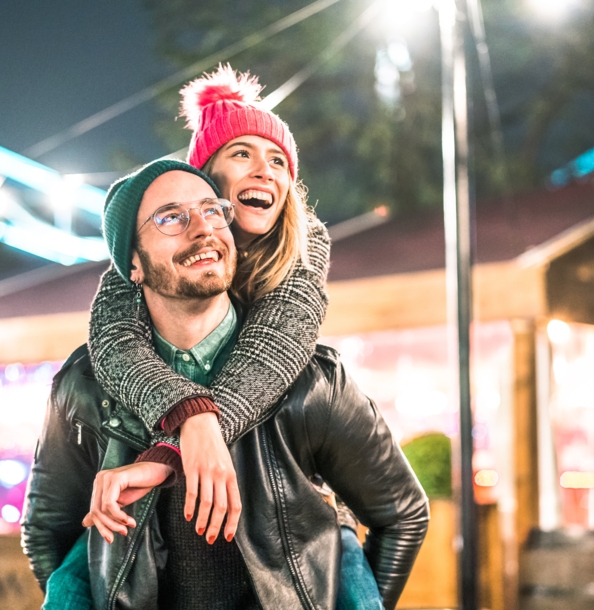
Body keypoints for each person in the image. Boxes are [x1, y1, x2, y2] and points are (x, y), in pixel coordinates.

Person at [22, 161, 429, 610]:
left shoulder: (311, 383)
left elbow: (403, 515)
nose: (202, 229)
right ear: (133, 263)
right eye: (171, 217)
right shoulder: (84, 385)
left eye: (213, 210)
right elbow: (48, 533)